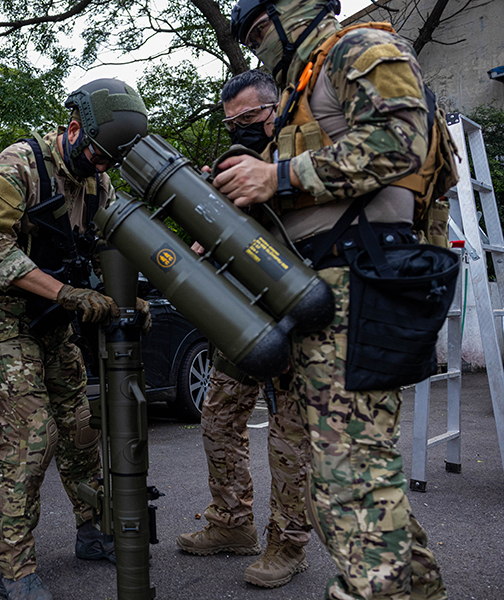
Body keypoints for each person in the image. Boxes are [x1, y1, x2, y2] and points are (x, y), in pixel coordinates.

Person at [220, 0, 448, 598]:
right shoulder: (307, 80)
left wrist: (280, 177)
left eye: (259, 28)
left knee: (354, 485)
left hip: (358, 284)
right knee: (347, 483)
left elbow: (403, 140)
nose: (257, 42)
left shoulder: (355, 49)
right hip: (325, 294)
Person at [0, 78, 148, 600]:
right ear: (73, 128)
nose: (102, 166)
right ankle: (16, 567)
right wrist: (67, 294)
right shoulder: (19, 164)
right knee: (32, 436)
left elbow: (111, 247)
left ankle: (91, 531)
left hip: (52, 323)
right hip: (0, 320)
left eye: (109, 160)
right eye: (96, 153)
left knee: (78, 427)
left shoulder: (98, 183)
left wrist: (127, 298)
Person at [178, 69, 312, 590]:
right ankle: (232, 523)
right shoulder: (238, 165)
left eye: (251, 117)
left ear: (274, 107)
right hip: (242, 319)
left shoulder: (300, 155)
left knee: (287, 438)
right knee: (217, 420)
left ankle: (287, 543)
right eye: (232, 120)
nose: (243, 128)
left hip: (292, 318)